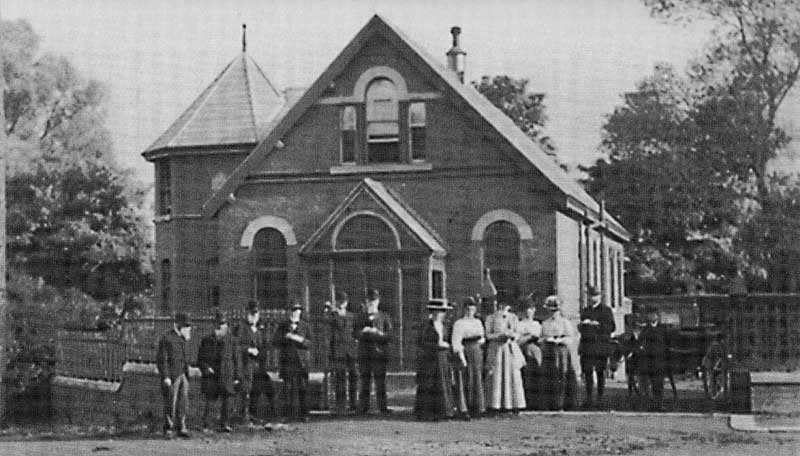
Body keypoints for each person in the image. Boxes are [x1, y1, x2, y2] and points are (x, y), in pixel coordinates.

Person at [414, 300, 457, 421]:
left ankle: (444, 412)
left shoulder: (446, 326)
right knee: (429, 385)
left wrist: (447, 346)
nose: (440, 314)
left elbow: (450, 340)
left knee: (443, 384)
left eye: (442, 311)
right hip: (429, 358)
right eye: (437, 312)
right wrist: (436, 345)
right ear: (432, 312)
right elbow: (421, 342)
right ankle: (426, 413)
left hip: (443, 359)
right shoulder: (426, 326)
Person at [197, 311, 240, 432]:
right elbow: (200, 359)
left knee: (228, 400)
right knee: (210, 400)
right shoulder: (207, 340)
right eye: (218, 324)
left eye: (223, 324)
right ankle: (206, 424)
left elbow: (237, 359)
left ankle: (225, 424)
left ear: (227, 326)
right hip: (212, 375)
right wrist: (206, 368)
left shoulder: (232, 340)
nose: (220, 327)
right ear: (214, 324)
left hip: (227, 374)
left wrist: (237, 376)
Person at [236, 300, 274, 424]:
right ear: (247, 313)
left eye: (256, 314)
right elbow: (236, 346)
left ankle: (254, 414)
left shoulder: (260, 328)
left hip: (259, 365)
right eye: (251, 314)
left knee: (259, 388)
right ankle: (244, 415)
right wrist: (248, 350)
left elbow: (265, 344)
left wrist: (262, 353)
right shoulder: (241, 328)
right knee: (246, 388)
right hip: (246, 363)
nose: (254, 316)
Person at [484, 301, 526, 412]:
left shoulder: (513, 317)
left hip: (510, 348)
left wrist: (513, 336)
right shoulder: (491, 318)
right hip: (497, 349)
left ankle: (513, 404)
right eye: (500, 305)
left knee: (512, 374)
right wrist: (499, 336)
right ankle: (496, 404)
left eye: (504, 305)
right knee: (497, 374)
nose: (502, 307)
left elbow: (518, 332)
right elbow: (488, 335)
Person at [355, 289, 393, 414]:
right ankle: (363, 407)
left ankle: (383, 407)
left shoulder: (384, 316)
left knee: (380, 382)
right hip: (364, 353)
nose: (372, 303)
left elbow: (390, 336)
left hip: (379, 353)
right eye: (369, 301)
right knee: (364, 381)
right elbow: (354, 333)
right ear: (366, 302)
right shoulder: (360, 317)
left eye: (374, 301)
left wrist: (379, 333)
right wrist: (363, 331)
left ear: (378, 301)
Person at [156, 312, 192, 438]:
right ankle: (169, 428)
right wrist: (165, 376)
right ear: (178, 325)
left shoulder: (183, 339)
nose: (188, 329)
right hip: (172, 375)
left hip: (183, 374)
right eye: (185, 326)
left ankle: (181, 426)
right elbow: (162, 359)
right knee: (171, 402)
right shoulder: (167, 338)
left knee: (183, 402)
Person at [273, 303, 312, 422]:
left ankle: (304, 414)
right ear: (289, 311)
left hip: (301, 362)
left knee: (303, 387)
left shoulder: (305, 326)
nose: (296, 312)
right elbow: (275, 341)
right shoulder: (283, 326)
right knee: (287, 388)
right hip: (287, 361)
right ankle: (287, 415)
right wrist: (286, 337)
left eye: (299, 310)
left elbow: (310, 343)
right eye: (294, 310)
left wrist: (299, 339)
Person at [578, 285, 616, 409]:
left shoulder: (606, 310)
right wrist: (583, 325)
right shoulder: (585, 310)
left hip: (600, 347)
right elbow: (581, 329)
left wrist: (598, 325)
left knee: (600, 372)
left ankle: (600, 398)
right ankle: (589, 398)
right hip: (587, 346)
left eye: (595, 295)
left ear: (600, 296)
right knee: (587, 372)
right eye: (591, 295)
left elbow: (611, 327)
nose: (593, 298)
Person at [539, 296, 578, 411]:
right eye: (551, 311)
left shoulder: (565, 322)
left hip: (561, 351)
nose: (553, 313)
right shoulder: (545, 323)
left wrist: (559, 340)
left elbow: (571, 337)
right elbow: (541, 337)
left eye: (555, 311)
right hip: (549, 351)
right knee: (549, 376)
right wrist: (546, 340)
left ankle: (562, 403)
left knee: (561, 375)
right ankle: (550, 403)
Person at [450, 297, 486, 417]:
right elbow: (456, 342)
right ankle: (463, 408)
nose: (470, 311)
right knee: (464, 379)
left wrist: (480, 346)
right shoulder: (459, 323)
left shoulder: (478, 322)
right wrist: (461, 356)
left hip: (476, 351)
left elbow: (482, 338)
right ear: (464, 309)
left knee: (476, 378)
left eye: (472, 308)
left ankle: (477, 407)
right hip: (465, 351)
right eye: (467, 308)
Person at [326, 291, 359, 415]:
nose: (341, 304)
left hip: (351, 350)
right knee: (340, 377)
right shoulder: (332, 316)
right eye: (339, 301)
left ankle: (353, 403)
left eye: (343, 301)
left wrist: (355, 342)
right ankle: (341, 405)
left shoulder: (351, 316)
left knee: (353, 376)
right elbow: (328, 330)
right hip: (338, 350)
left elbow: (355, 332)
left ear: (346, 302)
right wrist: (332, 312)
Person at [637, 307, 670, 411]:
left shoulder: (663, 329)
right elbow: (640, 343)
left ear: (658, 317)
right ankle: (649, 404)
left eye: (655, 315)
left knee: (659, 384)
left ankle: (659, 404)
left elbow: (667, 344)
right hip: (648, 361)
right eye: (651, 315)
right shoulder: (645, 330)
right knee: (647, 384)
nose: (653, 317)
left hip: (659, 360)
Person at [517, 298, 543, 410]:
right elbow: (517, 340)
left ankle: (537, 401)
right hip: (523, 350)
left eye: (532, 309)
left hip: (536, 350)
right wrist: (528, 337)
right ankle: (526, 401)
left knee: (537, 373)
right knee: (525, 375)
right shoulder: (519, 324)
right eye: (528, 309)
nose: (530, 311)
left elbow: (542, 337)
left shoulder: (537, 324)